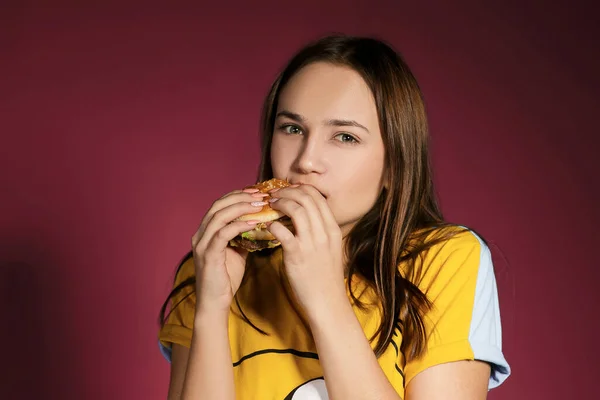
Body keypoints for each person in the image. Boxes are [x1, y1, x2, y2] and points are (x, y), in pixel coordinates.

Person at [157, 34, 511, 400]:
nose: (306, 161)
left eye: (344, 137)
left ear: (395, 164)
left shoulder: (444, 261)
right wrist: (212, 309)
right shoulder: (215, 265)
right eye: (292, 129)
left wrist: (324, 298)